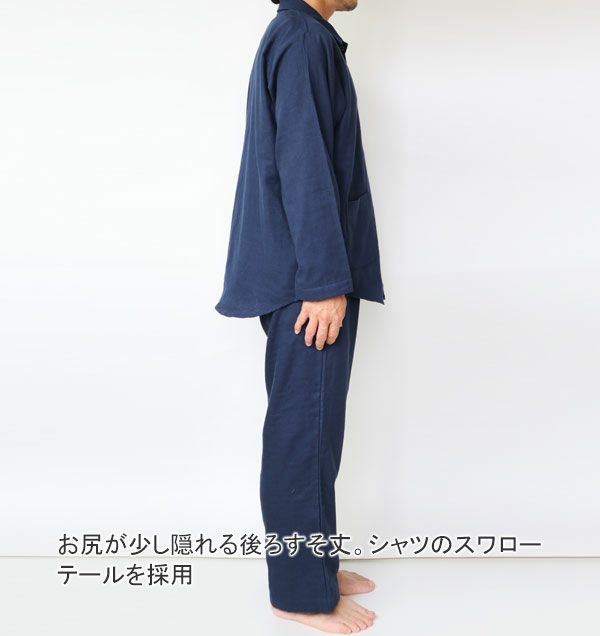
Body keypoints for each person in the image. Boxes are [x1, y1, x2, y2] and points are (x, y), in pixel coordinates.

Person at [215, 0, 385, 632]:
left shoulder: (304, 35)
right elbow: (304, 165)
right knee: (301, 435)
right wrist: (323, 282)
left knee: (314, 432)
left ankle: (315, 567)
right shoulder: (302, 40)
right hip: (306, 283)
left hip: (305, 276)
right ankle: (298, 593)